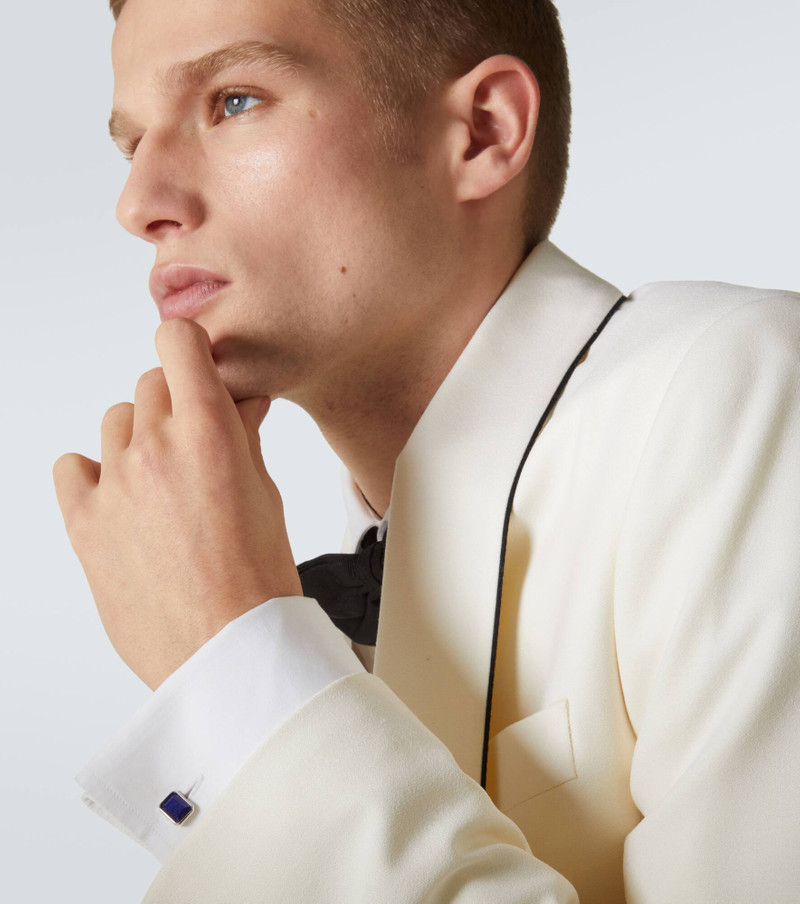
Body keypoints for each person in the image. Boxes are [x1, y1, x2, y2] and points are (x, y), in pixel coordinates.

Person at [53, 0, 800, 901]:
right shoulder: (333, 592)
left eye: (234, 100)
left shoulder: (745, 387)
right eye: (130, 145)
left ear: (483, 133)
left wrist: (235, 660)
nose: (140, 204)